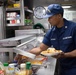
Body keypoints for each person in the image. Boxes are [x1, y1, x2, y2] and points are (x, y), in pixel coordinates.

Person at [29, 4, 76, 75]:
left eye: (50, 17)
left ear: (59, 16)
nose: (48, 20)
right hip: (63, 68)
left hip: (74, 68)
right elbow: (40, 49)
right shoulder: (52, 32)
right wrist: (24, 53)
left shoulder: (73, 28)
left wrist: (65, 55)